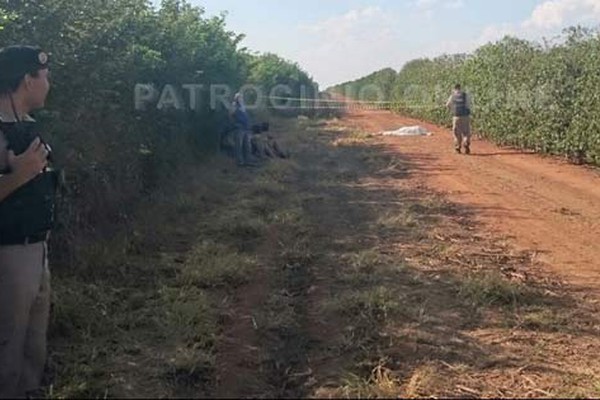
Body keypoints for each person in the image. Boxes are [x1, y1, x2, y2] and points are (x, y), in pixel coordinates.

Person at [0, 45, 57, 399]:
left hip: (37, 249)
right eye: (45, 77)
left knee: (33, 347)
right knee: (7, 349)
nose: (49, 84)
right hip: (8, 255)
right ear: (26, 80)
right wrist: (18, 175)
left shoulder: (29, 126)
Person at [230, 93, 256, 167]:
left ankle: (248, 160)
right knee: (239, 145)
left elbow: (246, 117)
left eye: (241, 98)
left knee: (248, 145)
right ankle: (240, 162)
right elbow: (231, 116)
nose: (241, 99)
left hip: (246, 128)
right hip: (239, 128)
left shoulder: (243, 106)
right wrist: (235, 124)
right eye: (239, 98)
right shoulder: (234, 106)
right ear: (236, 99)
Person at [446, 84, 473, 154]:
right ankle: (466, 144)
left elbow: (447, 105)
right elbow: (469, 105)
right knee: (466, 132)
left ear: (454, 89)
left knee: (457, 133)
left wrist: (452, 110)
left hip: (456, 116)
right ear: (460, 88)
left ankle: (457, 148)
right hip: (466, 116)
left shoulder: (452, 96)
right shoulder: (465, 95)